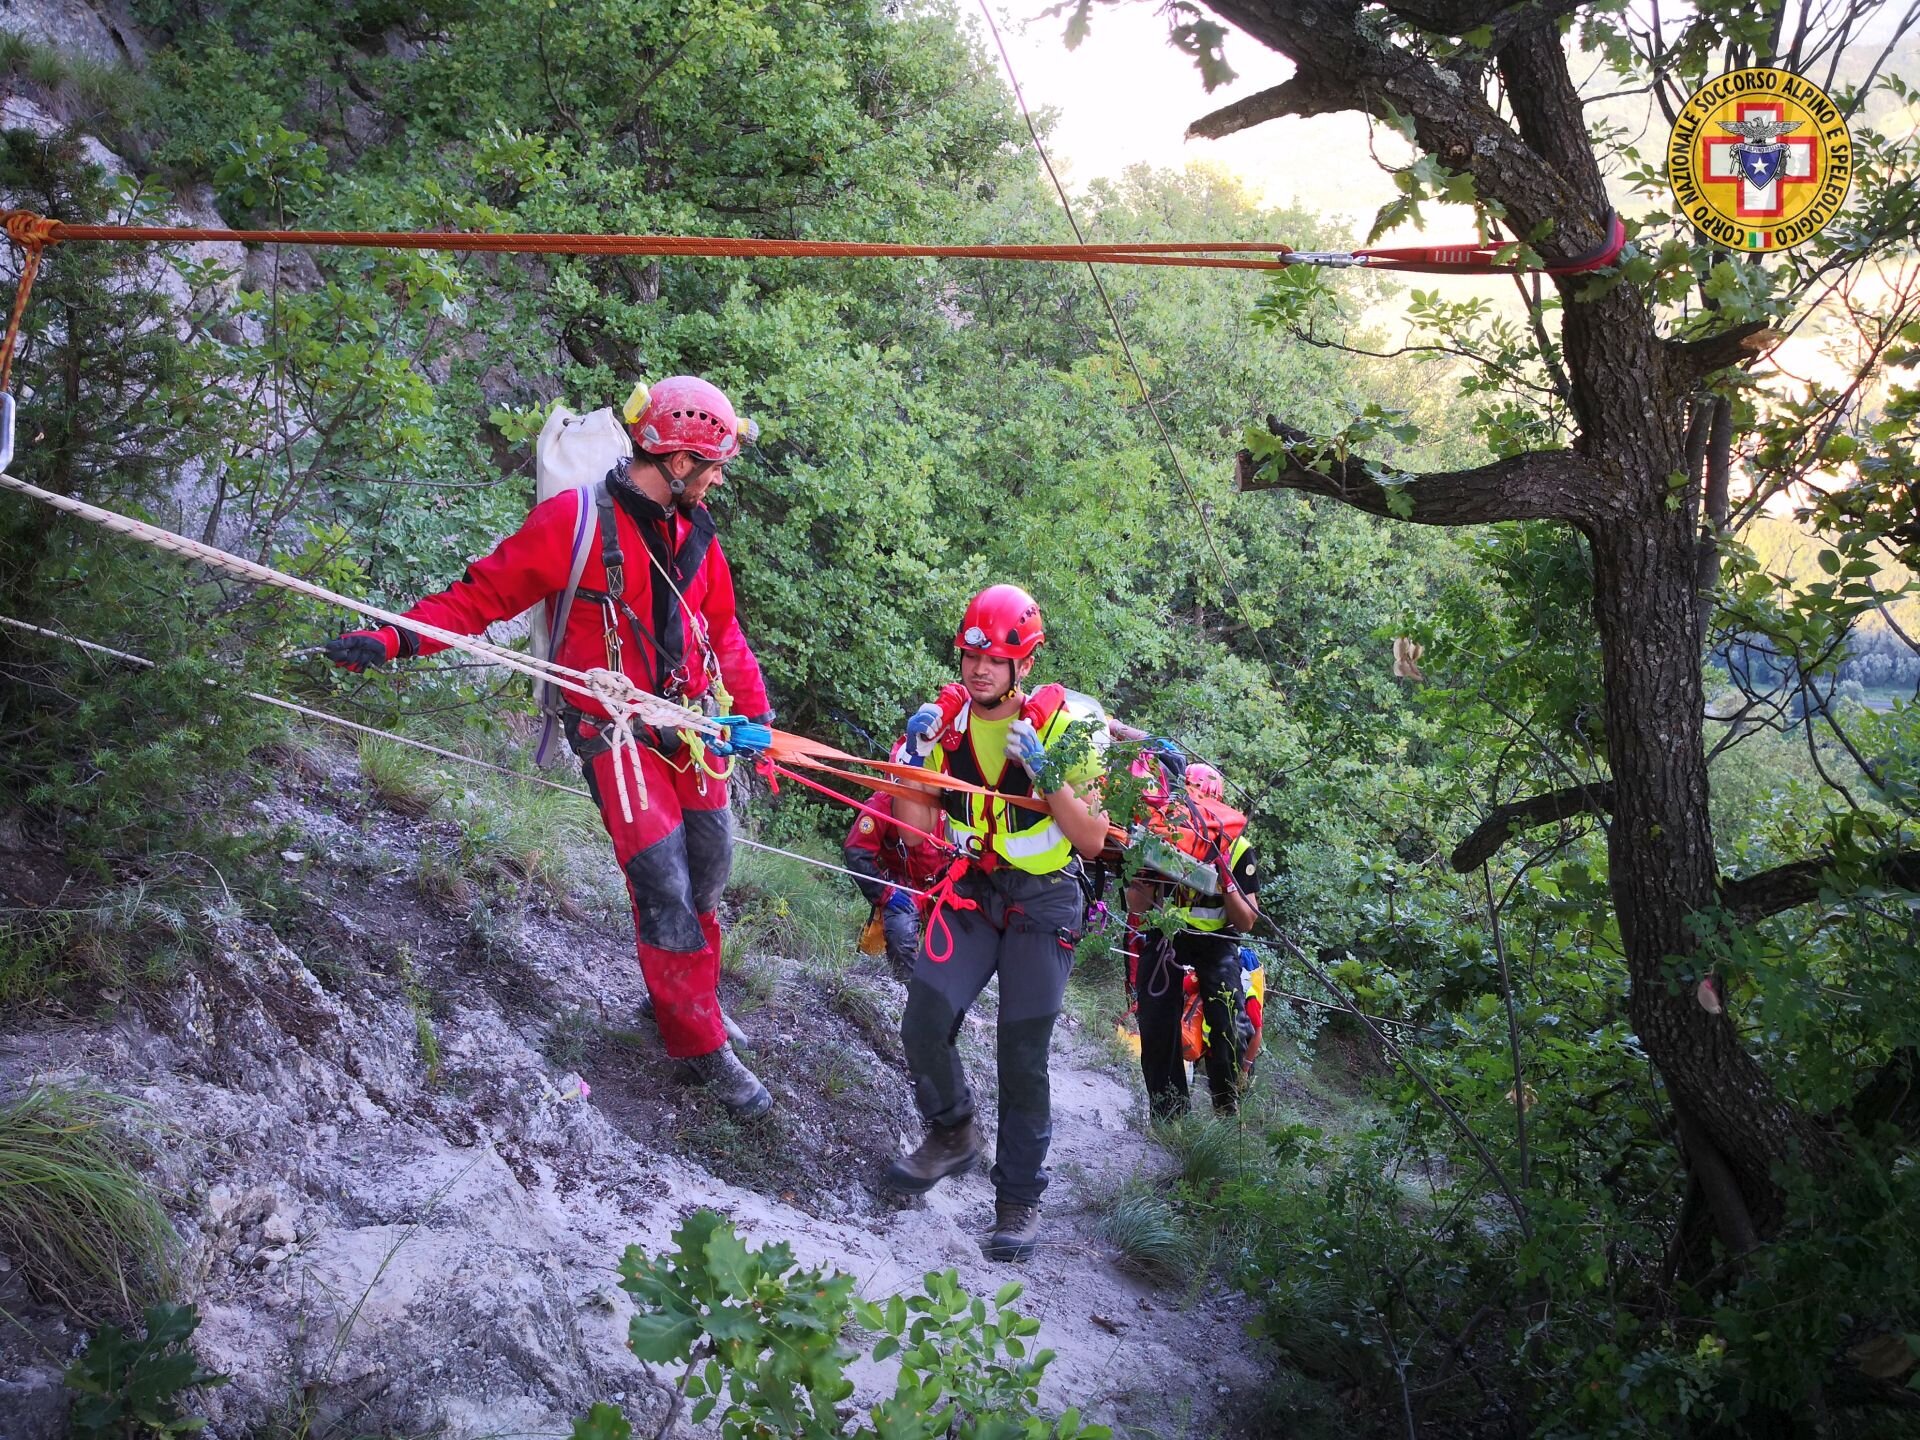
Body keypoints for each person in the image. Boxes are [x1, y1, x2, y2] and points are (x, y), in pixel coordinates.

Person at [323, 376, 778, 1120]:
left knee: (709, 869)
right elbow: (479, 597)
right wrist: (393, 638)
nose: (719, 480)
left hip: (692, 729)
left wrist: (758, 720)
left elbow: (721, 629)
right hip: (614, 731)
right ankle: (699, 1046)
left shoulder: (693, 531)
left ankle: (682, 1000)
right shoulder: (573, 522)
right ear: (677, 461)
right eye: (714, 465)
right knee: (662, 878)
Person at [884, 584, 1111, 1262]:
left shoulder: (1067, 731)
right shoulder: (945, 724)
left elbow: (1091, 839)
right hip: (976, 887)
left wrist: (1047, 773)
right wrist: (911, 762)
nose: (979, 669)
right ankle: (953, 1132)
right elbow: (917, 828)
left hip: (1046, 900)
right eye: (971, 656)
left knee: (1021, 1055)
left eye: (995, 659)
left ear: (1024, 664)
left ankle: (1017, 1200)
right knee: (924, 1020)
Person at [1128, 761, 1262, 1118]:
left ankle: (1225, 1102)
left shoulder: (1237, 846)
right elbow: (1136, 907)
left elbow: (1247, 921)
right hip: (1167, 935)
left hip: (1217, 941)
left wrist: (1226, 879)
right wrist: (1147, 869)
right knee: (1156, 1022)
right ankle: (1169, 1114)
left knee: (1228, 1022)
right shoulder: (1163, 831)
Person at [842, 775, 944, 979]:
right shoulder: (882, 804)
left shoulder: (948, 800)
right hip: (904, 883)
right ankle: (909, 987)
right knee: (900, 934)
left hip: (945, 880)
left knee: (957, 941)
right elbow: (856, 852)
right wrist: (885, 893)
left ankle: (945, 987)